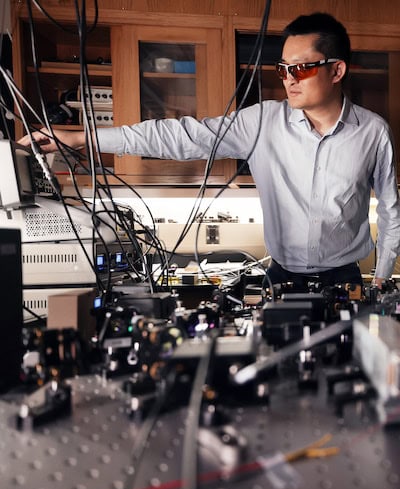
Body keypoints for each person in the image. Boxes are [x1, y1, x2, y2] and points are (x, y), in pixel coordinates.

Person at [19, 12, 400, 291]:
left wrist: (382, 275)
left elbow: (390, 209)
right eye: (283, 68)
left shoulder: (373, 132)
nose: (287, 80)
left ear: (337, 71)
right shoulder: (262, 122)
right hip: (283, 281)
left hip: (346, 279)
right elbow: (180, 136)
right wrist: (84, 137)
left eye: (301, 69)